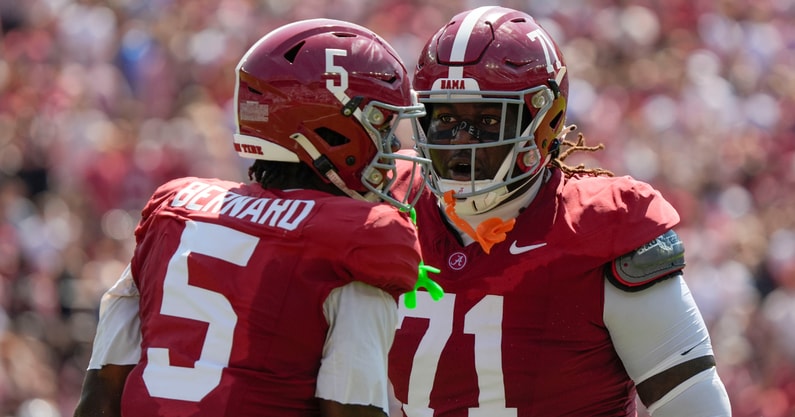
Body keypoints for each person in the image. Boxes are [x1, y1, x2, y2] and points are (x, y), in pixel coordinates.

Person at [73, 18, 435, 417]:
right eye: (381, 124)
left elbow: (98, 398)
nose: (392, 146)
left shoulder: (174, 213)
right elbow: (352, 410)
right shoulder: (358, 244)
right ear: (330, 130)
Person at [387, 6, 732, 416]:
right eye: (445, 117)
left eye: (488, 118)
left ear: (544, 121)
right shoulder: (389, 203)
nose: (462, 140)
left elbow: (693, 404)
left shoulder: (601, 227)